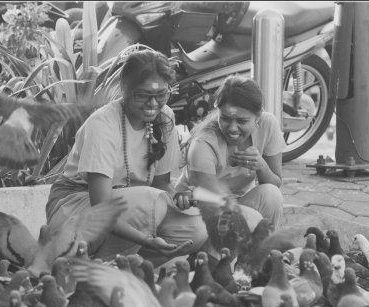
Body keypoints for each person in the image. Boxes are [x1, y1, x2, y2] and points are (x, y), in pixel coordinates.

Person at [45, 49, 208, 267]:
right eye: (143, 95)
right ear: (124, 89)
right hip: (74, 211)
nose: (153, 104)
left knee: (196, 229)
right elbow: (100, 206)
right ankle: (96, 267)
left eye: (161, 94)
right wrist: (147, 240)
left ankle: (129, 268)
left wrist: (180, 199)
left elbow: (162, 184)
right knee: (153, 202)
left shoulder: (165, 116)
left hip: (133, 206)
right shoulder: (102, 124)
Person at [175, 75, 285, 237]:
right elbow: (212, 205)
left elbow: (276, 183)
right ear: (216, 110)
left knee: (271, 194)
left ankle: (255, 254)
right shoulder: (203, 143)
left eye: (241, 121)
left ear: (258, 116)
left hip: (238, 203)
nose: (232, 129)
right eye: (225, 118)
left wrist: (261, 166)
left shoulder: (268, 125)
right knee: (244, 225)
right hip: (200, 209)